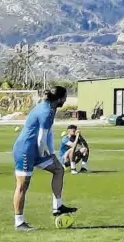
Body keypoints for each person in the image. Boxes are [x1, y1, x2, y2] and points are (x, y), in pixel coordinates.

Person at [12, 86, 78, 231]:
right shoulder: (46, 111)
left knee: (59, 169)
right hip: (25, 150)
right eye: (65, 97)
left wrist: (52, 153)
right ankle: (19, 222)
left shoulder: (50, 108)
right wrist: (43, 154)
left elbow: (48, 133)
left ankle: (58, 207)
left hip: (36, 150)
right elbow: (41, 138)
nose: (66, 100)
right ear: (59, 99)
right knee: (22, 186)